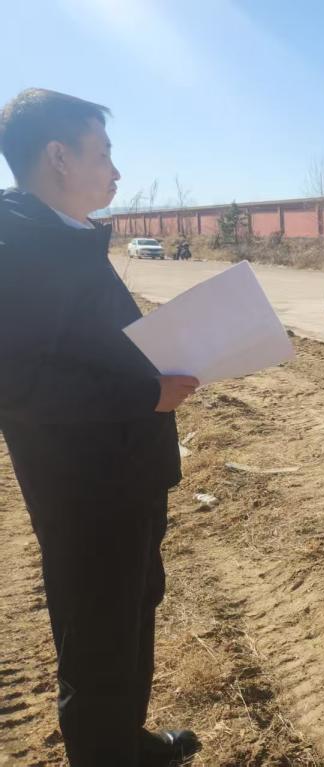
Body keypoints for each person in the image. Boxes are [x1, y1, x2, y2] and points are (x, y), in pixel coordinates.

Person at [0, 89, 201, 766]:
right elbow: (17, 384)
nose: (116, 171)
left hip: (128, 473)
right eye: (104, 153)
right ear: (58, 157)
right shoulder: (14, 247)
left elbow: (87, 351)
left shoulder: (65, 237)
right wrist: (148, 391)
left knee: (133, 612)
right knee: (96, 640)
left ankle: (127, 742)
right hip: (83, 491)